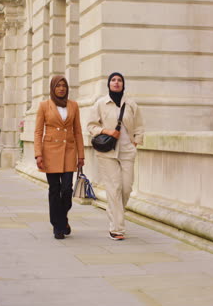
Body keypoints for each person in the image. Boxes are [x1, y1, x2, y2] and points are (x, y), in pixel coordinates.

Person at [87, 72, 144, 240]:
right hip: (107, 152)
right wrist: (106, 131)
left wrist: (136, 142)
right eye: (113, 80)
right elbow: (91, 126)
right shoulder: (100, 104)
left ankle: (116, 214)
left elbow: (139, 125)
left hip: (127, 151)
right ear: (109, 84)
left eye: (119, 80)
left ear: (123, 84)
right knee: (114, 188)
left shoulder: (131, 104)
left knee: (126, 188)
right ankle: (117, 228)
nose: (116, 83)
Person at [34, 75, 84, 239]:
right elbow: (38, 132)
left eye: (64, 85)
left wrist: (81, 155)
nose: (61, 88)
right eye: (58, 86)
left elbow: (77, 131)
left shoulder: (74, 105)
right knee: (54, 190)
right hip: (50, 152)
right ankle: (58, 226)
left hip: (69, 151)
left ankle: (61, 219)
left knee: (67, 189)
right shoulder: (44, 106)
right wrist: (38, 154)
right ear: (53, 88)